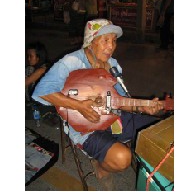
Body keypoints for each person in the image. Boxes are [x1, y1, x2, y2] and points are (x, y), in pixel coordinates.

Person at [32, 19, 164, 190]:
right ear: (91, 41)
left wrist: (142, 107)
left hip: (113, 115)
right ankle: (100, 165)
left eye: (114, 40)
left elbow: (120, 100)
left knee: (160, 130)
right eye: (105, 40)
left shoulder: (113, 65)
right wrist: (79, 106)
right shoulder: (72, 62)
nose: (111, 46)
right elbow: (41, 91)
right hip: (84, 126)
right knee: (122, 158)